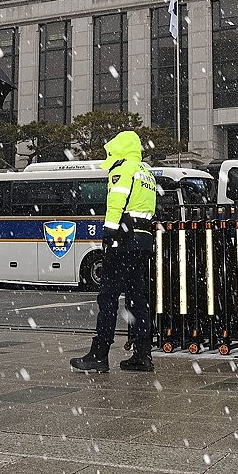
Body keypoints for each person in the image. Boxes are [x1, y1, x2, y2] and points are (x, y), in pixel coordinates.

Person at [70, 130, 158, 373]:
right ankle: (143, 354)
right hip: (143, 242)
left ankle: (99, 354)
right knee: (137, 299)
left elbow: (115, 205)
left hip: (123, 242)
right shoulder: (146, 172)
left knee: (107, 298)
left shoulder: (122, 170)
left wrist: (108, 237)